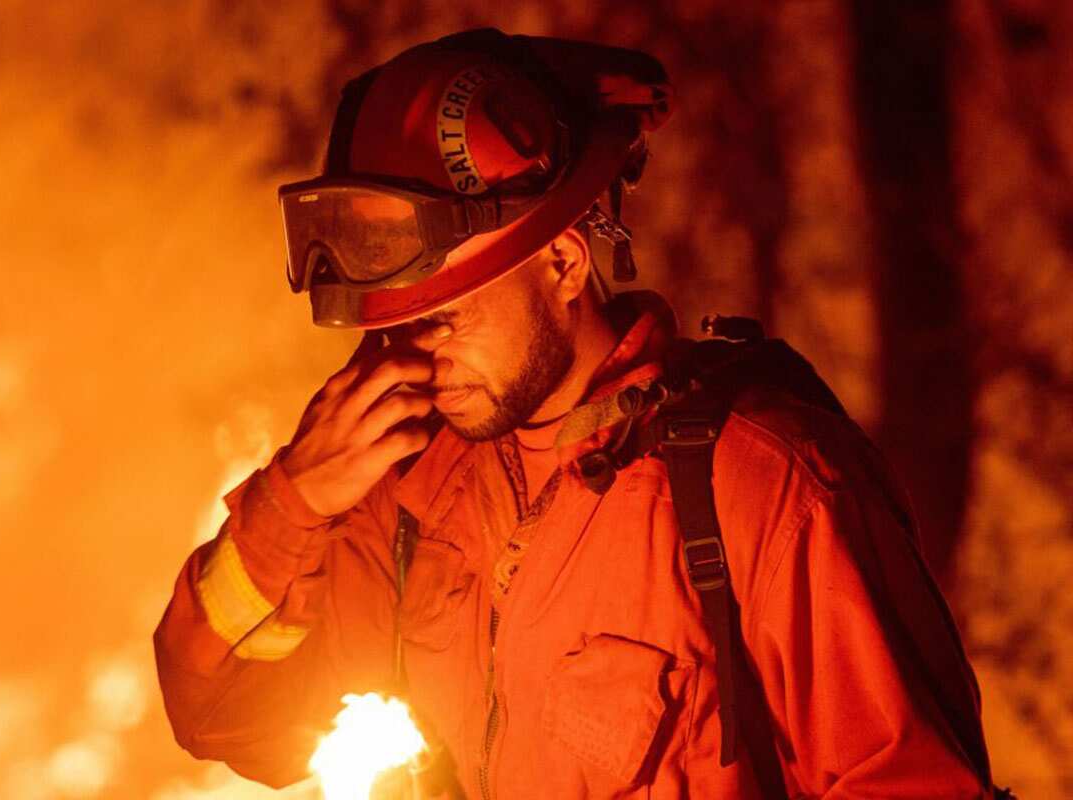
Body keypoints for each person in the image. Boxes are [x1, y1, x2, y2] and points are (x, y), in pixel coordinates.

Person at [154, 29, 998, 799]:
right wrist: (292, 503)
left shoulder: (764, 488)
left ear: (560, 262)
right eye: (396, 327)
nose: (414, 357)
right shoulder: (418, 496)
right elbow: (230, 719)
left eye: (444, 317)